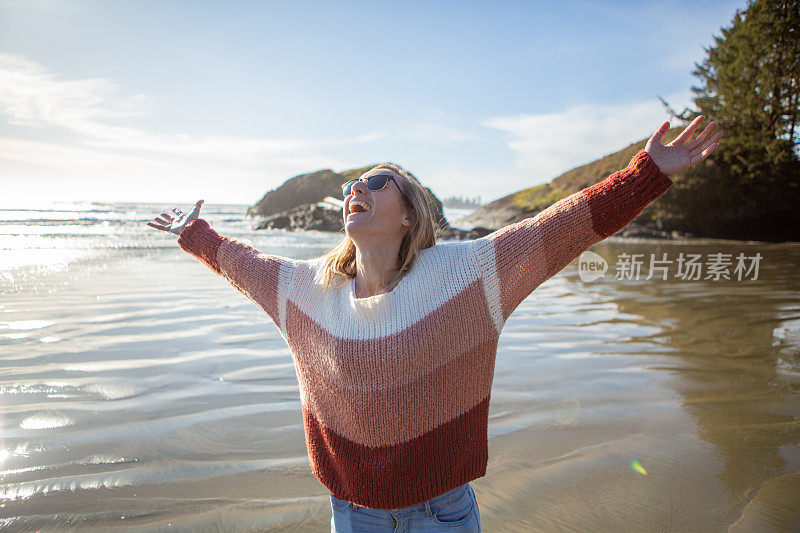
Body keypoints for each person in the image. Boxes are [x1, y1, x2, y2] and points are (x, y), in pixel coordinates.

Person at [147, 117, 722, 532]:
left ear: (408, 214)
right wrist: (194, 235)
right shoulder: (306, 290)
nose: (357, 190)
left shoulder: (464, 276)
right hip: (351, 515)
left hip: (441, 514)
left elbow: (558, 230)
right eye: (353, 184)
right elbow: (244, 264)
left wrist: (646, 174)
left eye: (377, 183)